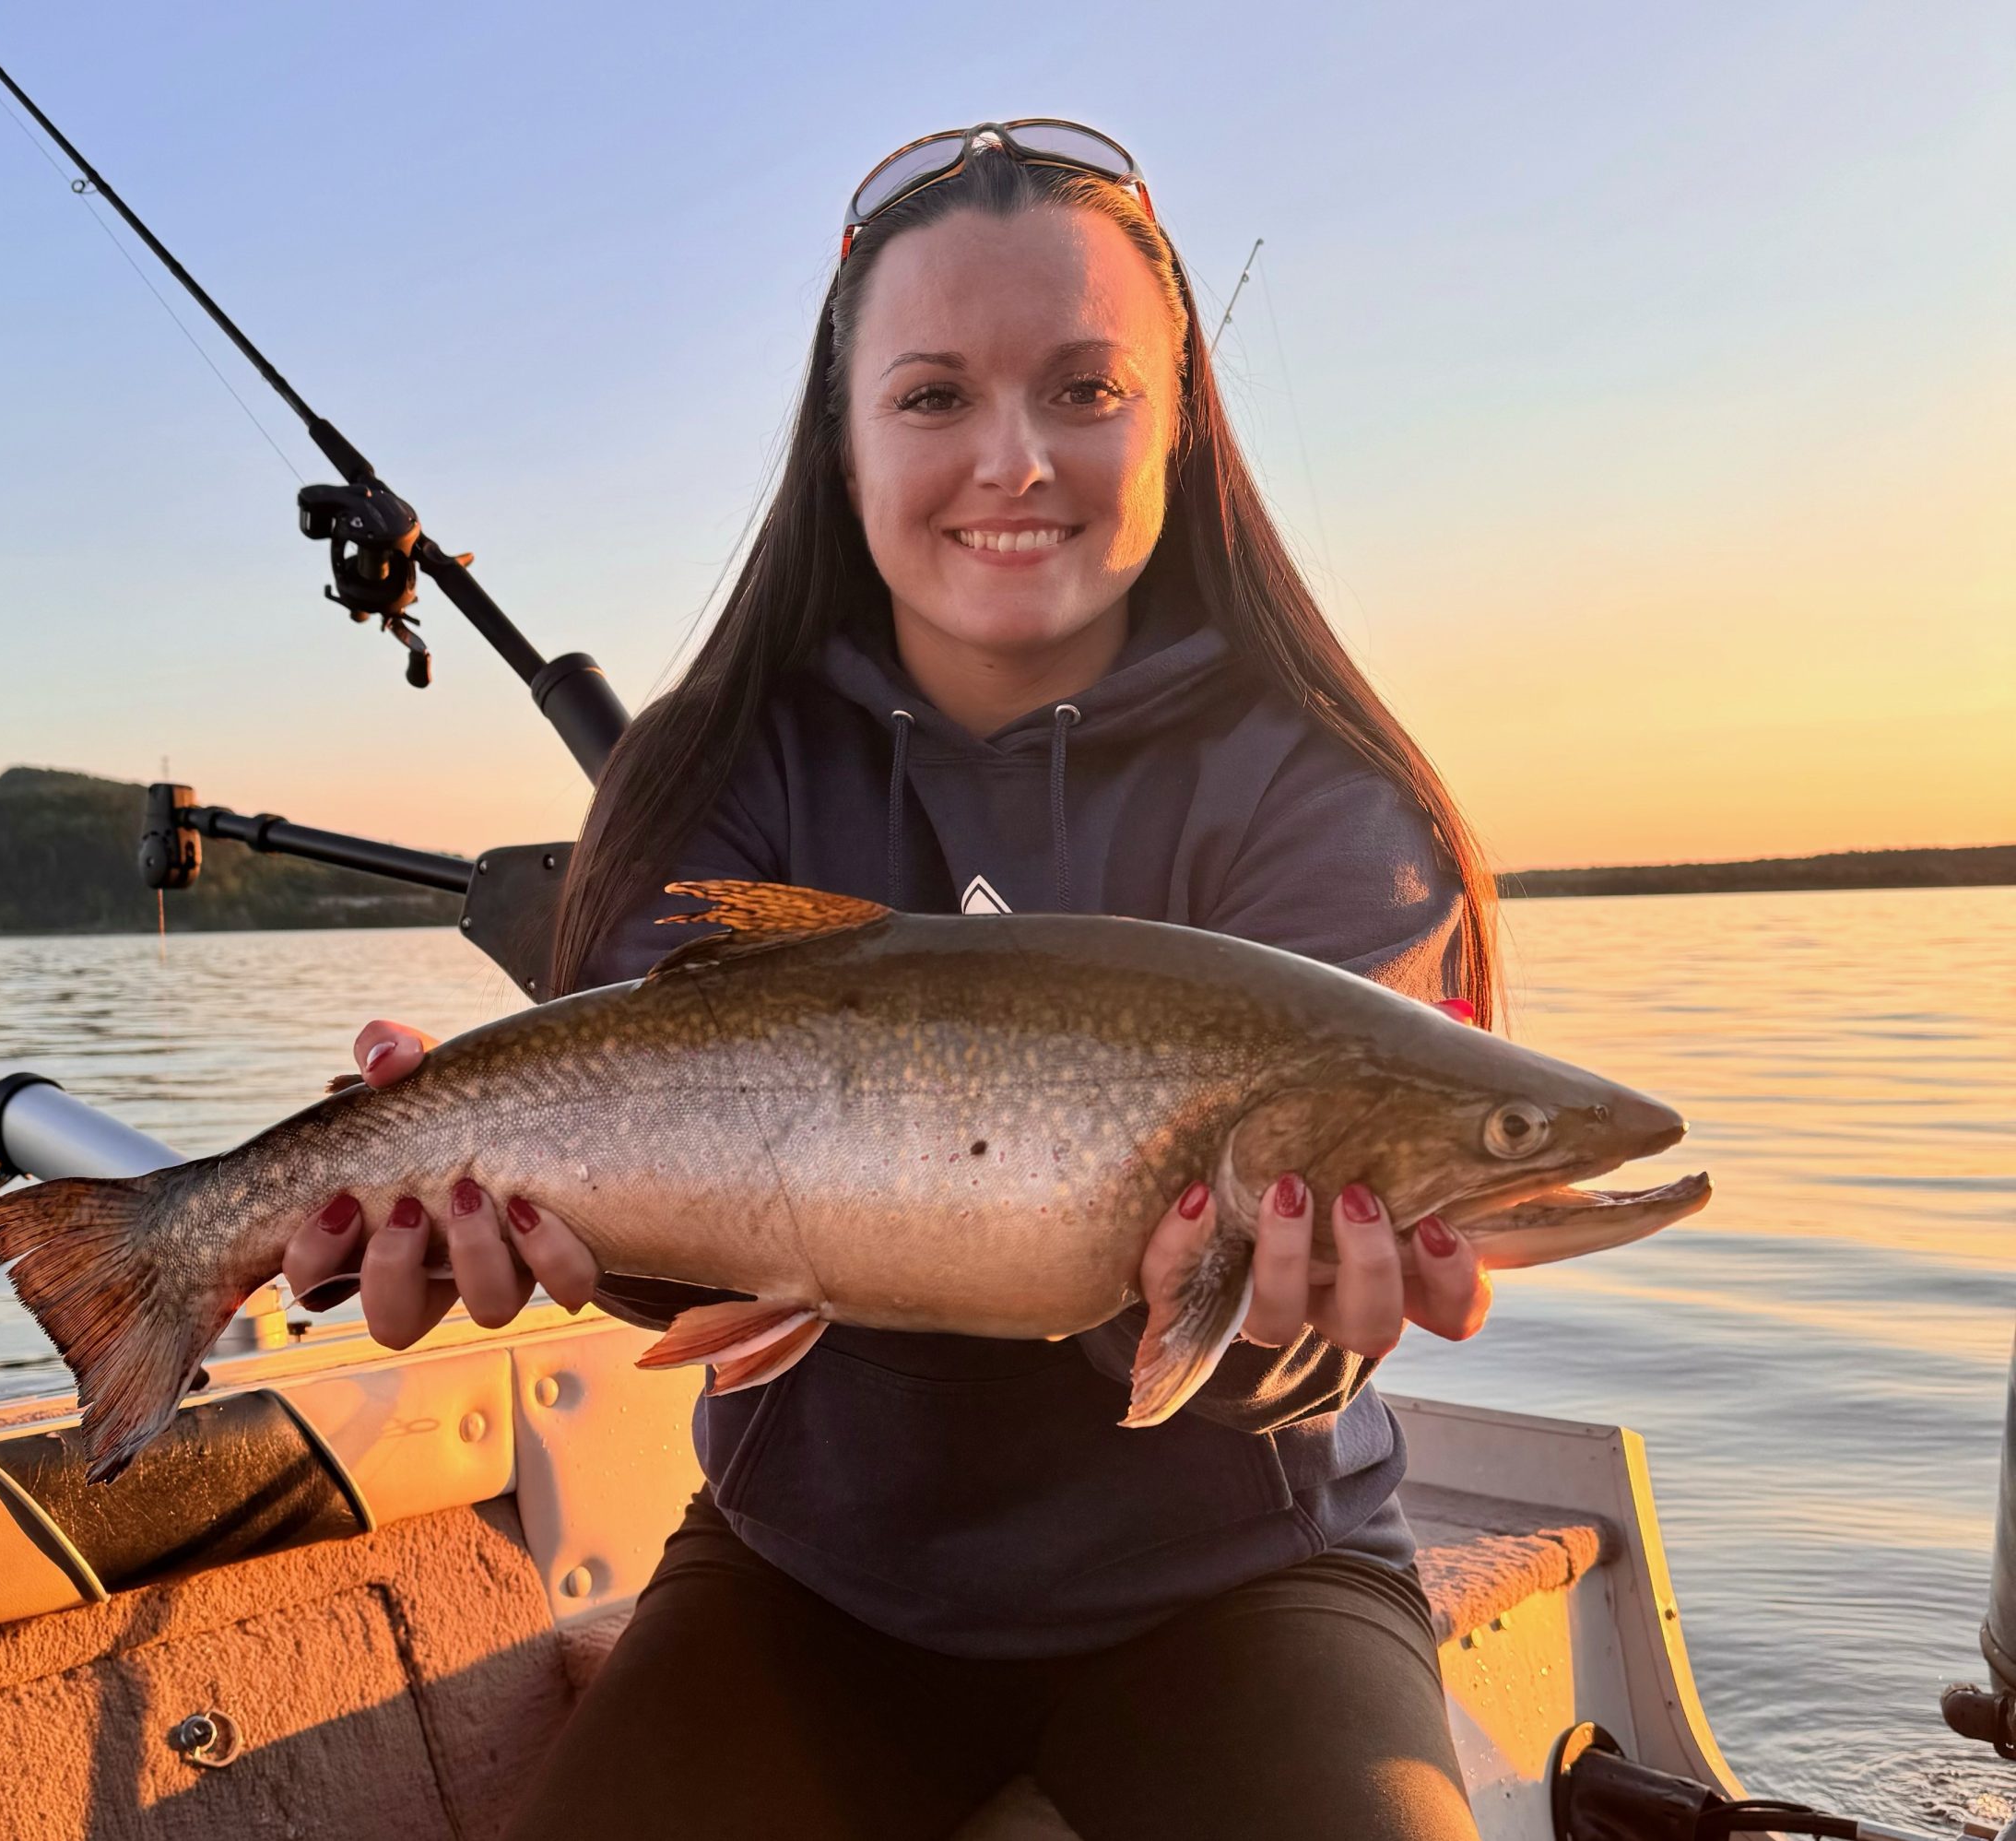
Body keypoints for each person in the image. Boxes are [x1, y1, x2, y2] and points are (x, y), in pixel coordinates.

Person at [284, 122, 1500, 1840]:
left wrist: (1262, 1324)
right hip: (805, 1576)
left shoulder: (1331, 804)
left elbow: (1281, 1358)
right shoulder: (713, 765)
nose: (1014, 459)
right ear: (842, 442)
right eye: (934, 396)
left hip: (1250, 1576)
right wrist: (485, 1213)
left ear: (1178, 422)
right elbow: (672, 1227)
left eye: (1085, 389)